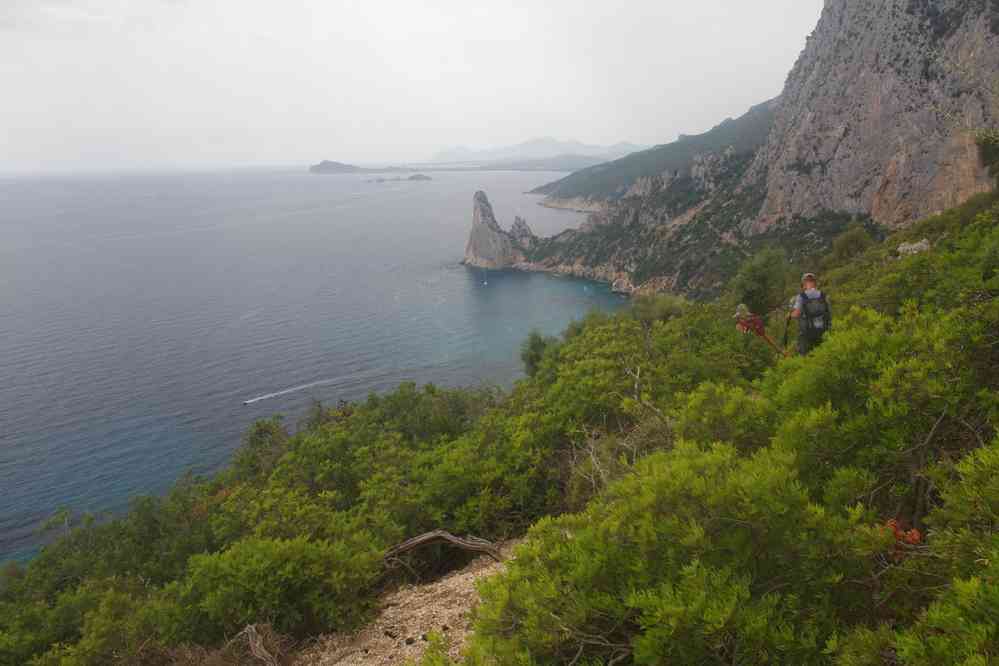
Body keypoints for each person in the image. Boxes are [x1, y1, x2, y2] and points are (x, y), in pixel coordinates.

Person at [790, 272, 831, 355]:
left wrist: (790, 315)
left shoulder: (801, 297)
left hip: (807, 335)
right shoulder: (824, 295)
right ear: (815, 283)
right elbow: (829, 312)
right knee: (823, 355)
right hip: (823, 332)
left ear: (803, 284)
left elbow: (796, 314)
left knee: (806, 358)